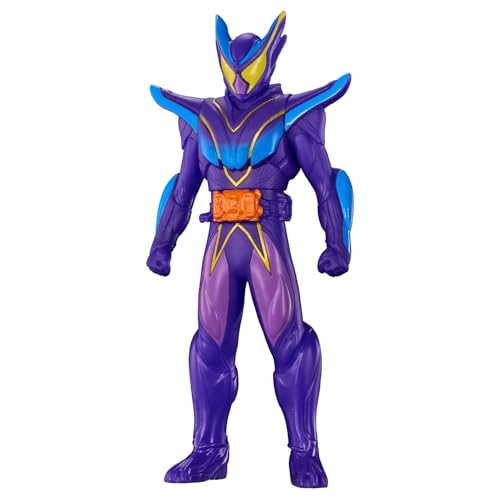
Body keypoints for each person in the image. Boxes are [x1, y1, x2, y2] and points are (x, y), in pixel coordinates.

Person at [147, 11, 353, 488]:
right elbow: (182, 190)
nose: (240, 78)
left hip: (265, 244)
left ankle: (304, 451)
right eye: (232, 67)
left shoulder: (291, 115)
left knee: (291, 345)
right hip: (220, 246)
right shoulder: (204, 119)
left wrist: (337, 243)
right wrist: (163, 243)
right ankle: (208, 452)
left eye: (250, 67)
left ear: (270, 59)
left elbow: (326, 183)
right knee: (208, 349)